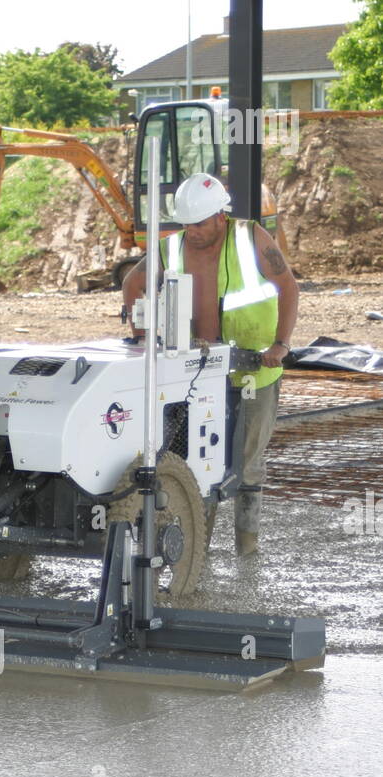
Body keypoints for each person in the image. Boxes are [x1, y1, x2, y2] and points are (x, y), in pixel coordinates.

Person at [122, 173, 298, 555]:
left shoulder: (249, 238)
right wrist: (141, 336)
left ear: (221, 216)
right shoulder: (171, 248)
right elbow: (133, 284)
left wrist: (280, 344)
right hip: (197, 375)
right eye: (185, 224)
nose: (193, 232)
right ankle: (194, 548)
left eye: (199, 223)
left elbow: (288, 286)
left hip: (254, 370)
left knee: (247, 463)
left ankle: (246, 548)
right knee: (198, 460)